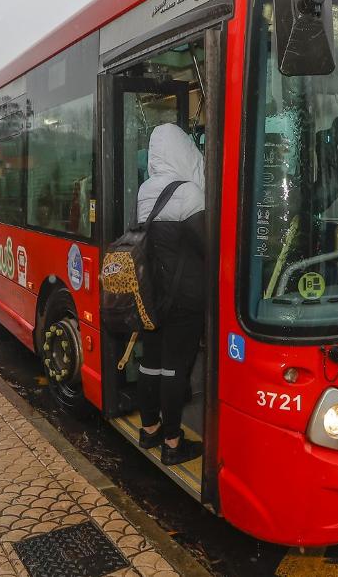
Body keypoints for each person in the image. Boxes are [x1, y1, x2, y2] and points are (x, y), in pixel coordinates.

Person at [135, 123, 206, 466]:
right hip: (185, 298)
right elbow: (207, 245)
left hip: (151, 295)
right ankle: (173, 443)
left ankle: (149, 428)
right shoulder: (190, 192)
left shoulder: (146, 190)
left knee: (151, 364)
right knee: (176, 368)